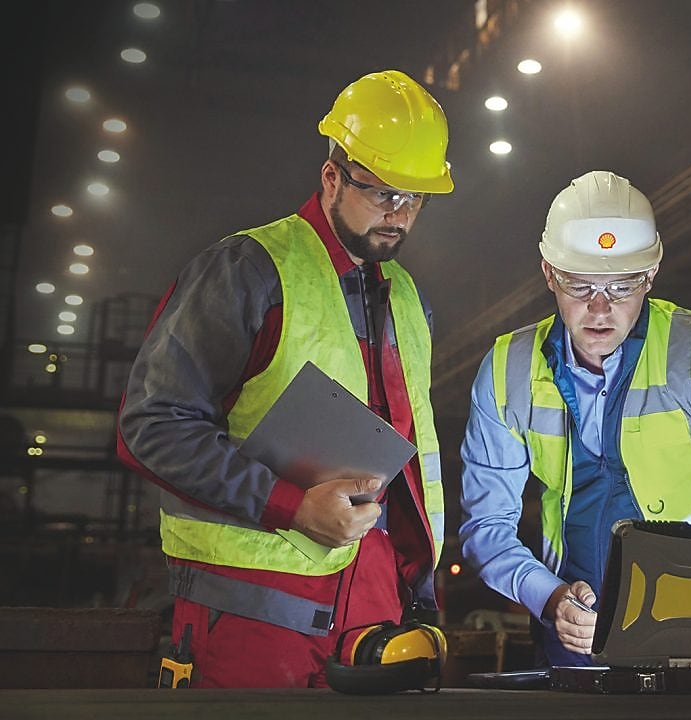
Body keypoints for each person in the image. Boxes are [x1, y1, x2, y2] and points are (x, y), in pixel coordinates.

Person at [116, 69, 453, 688]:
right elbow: (152, 425)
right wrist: (290, 507)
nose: (399, 215)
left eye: (416, 199)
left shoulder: (408, 297)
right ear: (332, 176)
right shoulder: (246, 271)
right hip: (251, 607)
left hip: (375, 602)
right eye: (383, 194)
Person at [458, 170, 691, 684]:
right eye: (579, 284)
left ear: (652, 273)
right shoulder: (506, 371)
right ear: (548, 272)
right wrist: (548, 598)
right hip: (573, 637)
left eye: (621, 286)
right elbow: (487, 526)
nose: (600, 308)